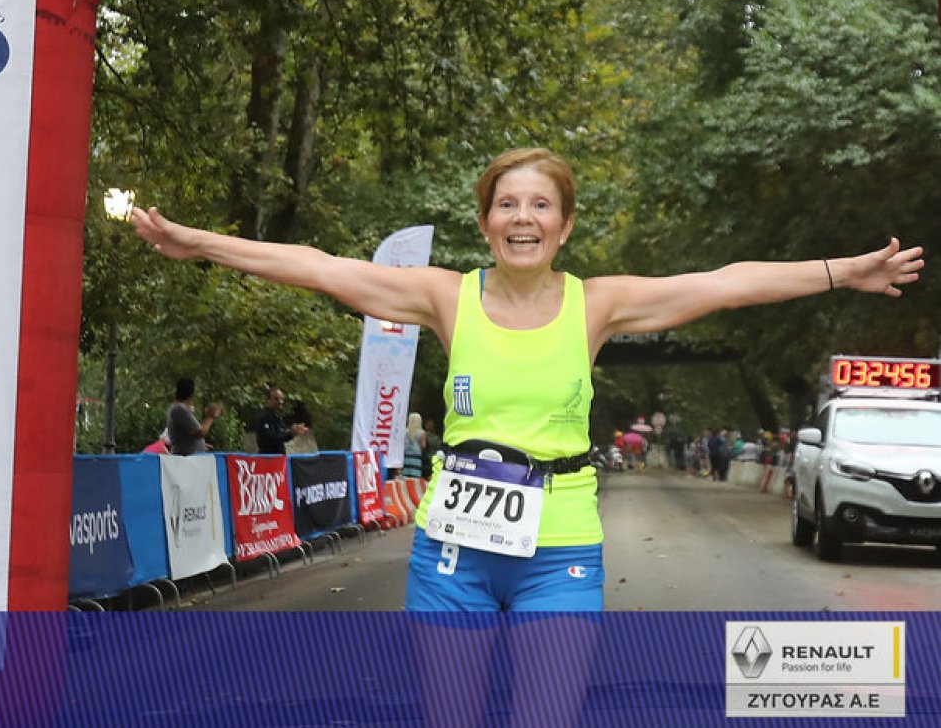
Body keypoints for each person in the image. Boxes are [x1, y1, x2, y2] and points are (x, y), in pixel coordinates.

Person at [131, 146, 922, 612]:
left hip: (561, 550)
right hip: (451, 548)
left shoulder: (597, 305)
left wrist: (843, 271)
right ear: (485, 223)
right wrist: (200, 243)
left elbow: (725, 283)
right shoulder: (446, 296)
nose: (522, 217)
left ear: (563, 225)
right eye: (506, 204)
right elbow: (319, 267)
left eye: (540, 205)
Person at [166, 377, 219, 456]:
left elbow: (187, 434)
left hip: (190, 456)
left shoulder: (178, 409)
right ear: (191, 393)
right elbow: (200, 432)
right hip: (185, 458)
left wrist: (200, 445)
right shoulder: (179, 410)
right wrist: (210, 416)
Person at [254, 386, 308, 455]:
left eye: (281, 399)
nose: (280, 401)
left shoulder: (278, 416)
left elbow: (282, 435)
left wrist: (293, 431)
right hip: (268, 457)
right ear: (268, 400)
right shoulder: (264, 416)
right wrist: (291, 433)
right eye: (276, 399)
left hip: (279, 457)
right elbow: (271, 438)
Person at [402, 412, 425, 478]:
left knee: (405, 475)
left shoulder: (404, 431)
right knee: (415, 475)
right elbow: (423, 445)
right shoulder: (421, 432)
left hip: (406, 455)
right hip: (416, 456)